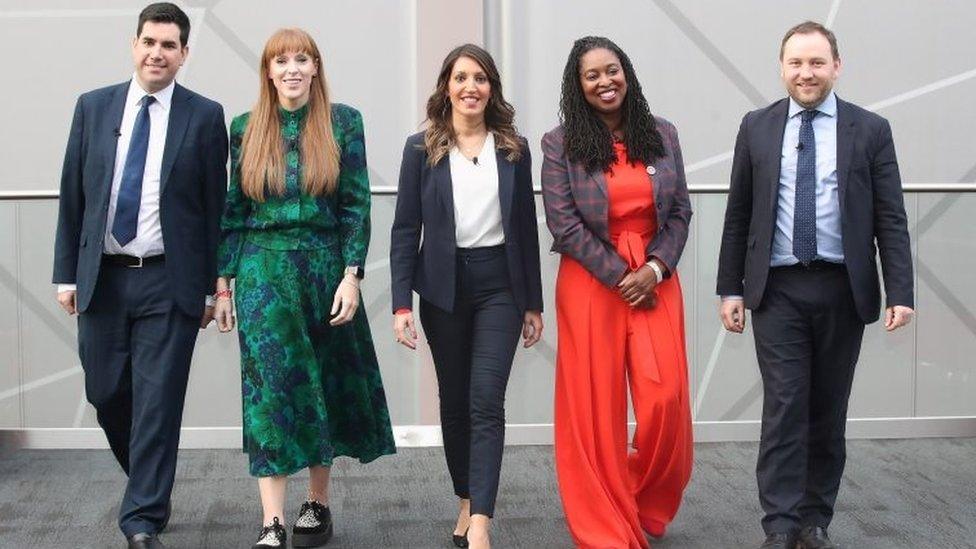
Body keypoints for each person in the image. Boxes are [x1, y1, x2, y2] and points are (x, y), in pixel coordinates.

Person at [716, 21, 915, 549]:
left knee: (827, 409)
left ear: (836, 67)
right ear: (782, 68)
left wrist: (901, 292)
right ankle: (779, 524)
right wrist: (729, 288)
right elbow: (738, 214)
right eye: (796, 63)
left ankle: (814, 519)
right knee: (785, 405)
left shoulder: (870, 129)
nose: (807, 73)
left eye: (817, 63)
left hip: (842, 290)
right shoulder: (755, 127)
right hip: (776, 290)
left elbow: (890, 217)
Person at [212, 28, 396, 549]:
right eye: (281, 61)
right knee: (270, 392)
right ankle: (271, 520)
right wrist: (223, 285)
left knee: (322, 383)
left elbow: (356, 205)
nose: (292, 68)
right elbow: (234, 210)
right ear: (268, 72)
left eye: (302, 59)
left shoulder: (344, 123)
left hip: (325, 272)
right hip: (262, 274)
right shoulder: (245, 128)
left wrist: (352, 275)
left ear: (316, 68)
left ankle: (318, 503)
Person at [51, 3, 227, 547]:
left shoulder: (204, 115)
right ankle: (149, 483)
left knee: (158, 398)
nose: (158, 53)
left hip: (168, 280)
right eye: (150, 42)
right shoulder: (94, 107)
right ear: (135, 46)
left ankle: (143, 516)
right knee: (106, 391)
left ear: (184, 55)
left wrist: (214, 285)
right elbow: (73, 194)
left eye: (169, 45)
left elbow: (214, 207)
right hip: (102, 277)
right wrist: (66, 275)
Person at [541, 36, 693, 549]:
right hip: (591, 282)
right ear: (578, 86)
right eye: (592, 75)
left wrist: (654, 268)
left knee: (665, 399)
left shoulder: (663, 134)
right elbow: (562, 225)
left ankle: (641, 495)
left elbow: (680, 213)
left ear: (626, 72)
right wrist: (619, 274)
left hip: (655, 279)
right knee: (594, 407)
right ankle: (602, 521)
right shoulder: (559, 143)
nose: (605, 81)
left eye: (612, 70)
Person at [389, 43, 543, 549]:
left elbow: (525, 228)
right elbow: (404, 229)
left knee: (485, 400)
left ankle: (481, 522)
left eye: (480, 78)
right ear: (446, 88)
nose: (470, 87)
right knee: (454, 402)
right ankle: (465, 497)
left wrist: (533, 303)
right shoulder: (420, 149)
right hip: (442, 290)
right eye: (461, 78)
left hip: (500, 284)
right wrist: (400, 305)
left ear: (491, 88)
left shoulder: (514, 148)